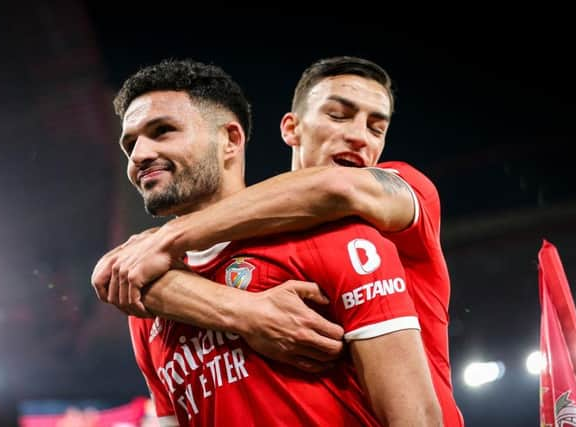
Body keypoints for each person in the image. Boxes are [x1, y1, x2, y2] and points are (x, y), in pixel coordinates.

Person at [92, 56, 463, 425]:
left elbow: (336, 190)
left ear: (231, 140)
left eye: (376, 128)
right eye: (338, 115)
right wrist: (248, 314)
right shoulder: (148, 296)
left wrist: (165, 240)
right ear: (291, 128)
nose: (358, 135)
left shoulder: (370, 216)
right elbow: (113, 276)